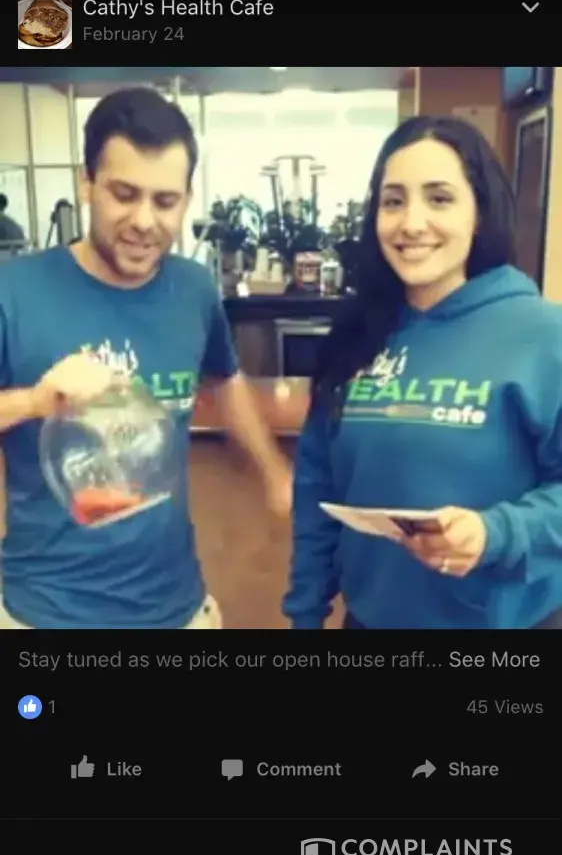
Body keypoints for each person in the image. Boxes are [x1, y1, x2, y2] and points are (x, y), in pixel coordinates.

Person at [0, 86, 291, 629]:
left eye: (165, 201)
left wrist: (275, 473)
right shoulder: (12, 291)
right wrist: (35, 401)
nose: (143, 220)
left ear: (186, 198)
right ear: (87, 183)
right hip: (45, 612)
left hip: (176, 608)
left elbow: (225, 379)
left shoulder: (194, 289)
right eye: (124, 194)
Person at [283, 115, 562, 630]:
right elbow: (318, 487)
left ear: (479, 213)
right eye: (393, 201)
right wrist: (304, 612)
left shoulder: (544, 335)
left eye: (439, 198)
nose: (411, 223)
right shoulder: (357, 335)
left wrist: (494, 533)